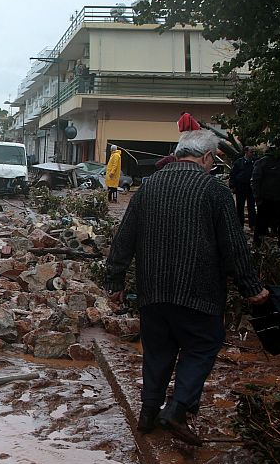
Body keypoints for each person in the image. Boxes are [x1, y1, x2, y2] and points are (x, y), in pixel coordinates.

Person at [106, 129, 268, 446]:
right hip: (199, 292)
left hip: (152, 290)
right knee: (203, 345)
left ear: (180, 153)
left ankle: (148, 413)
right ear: (207, 158)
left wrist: (114, 280)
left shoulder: (148, 187)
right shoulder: (214, 191)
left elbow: (125, 236)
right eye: (213, 161)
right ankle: (177, 409)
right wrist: (252, 287)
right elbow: (234, 247)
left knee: (158, 351)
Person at [251, 148, 280, 249]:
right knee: (261, 224)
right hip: (266, 199)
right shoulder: (262, 162)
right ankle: (258, 246)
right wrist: (257, 197)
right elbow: (255, 181)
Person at [229, 147, 257, 229]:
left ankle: (253, 224)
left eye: (253, 152)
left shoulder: (255, 162)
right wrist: (233, 186)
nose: (252, 154)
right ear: (246, 152)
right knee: (240, 206)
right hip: (240, 186)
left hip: (251, 187)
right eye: (251, 152)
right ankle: (239, 224)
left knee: (251, 206)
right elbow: (233, 174)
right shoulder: (239, 162)